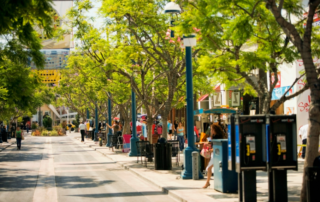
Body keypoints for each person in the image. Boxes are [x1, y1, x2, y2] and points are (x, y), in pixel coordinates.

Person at [203, 124, 226, 188]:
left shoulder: (217, 137)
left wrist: (210, 150)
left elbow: (216, 147)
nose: (211, 131)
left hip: (216, 155)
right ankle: (208, 182)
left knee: (209, 168)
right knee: (212, 168)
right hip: (216, 154)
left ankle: (207, 183)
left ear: (215, 130)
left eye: (212, 129)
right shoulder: (215, 136)